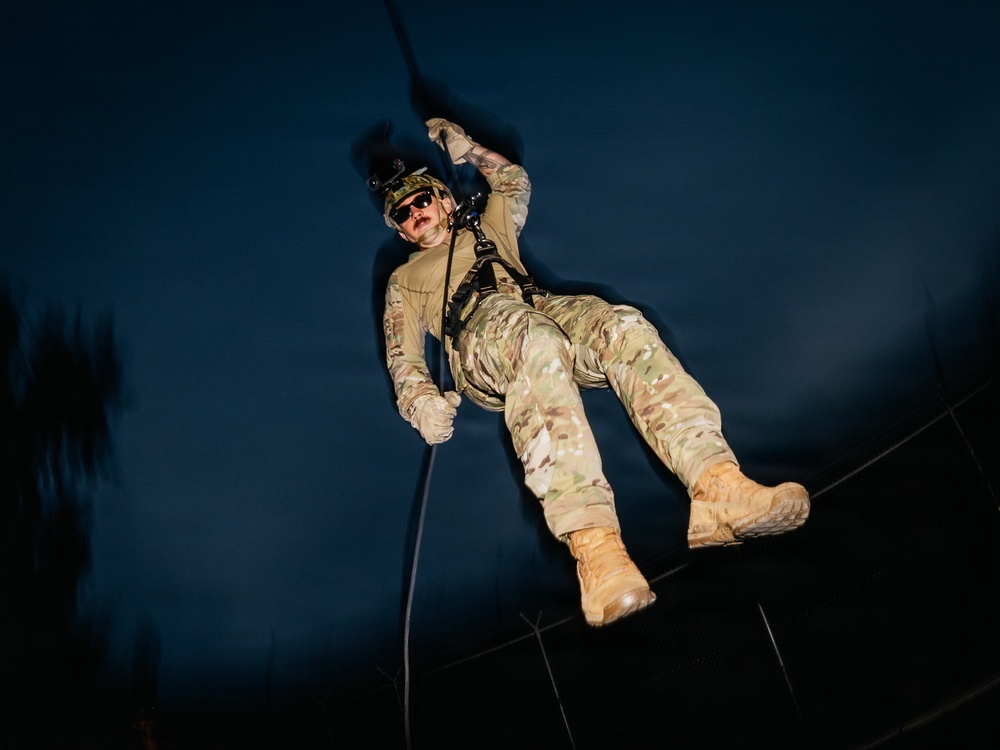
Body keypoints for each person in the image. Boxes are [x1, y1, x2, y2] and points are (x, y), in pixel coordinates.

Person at [377, 117, 810, 627]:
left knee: (620, 325)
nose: (414, 215)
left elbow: (514, 180)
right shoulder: (404, 280)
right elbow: (401, 356)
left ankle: (718, 487)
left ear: (445, 200)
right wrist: (420, 403)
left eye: (421, 201)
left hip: (540, 312)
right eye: (402, 215)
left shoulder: (486, 223)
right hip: (481, 340)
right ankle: (596, 550)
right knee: (529, 337)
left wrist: (469, 150)